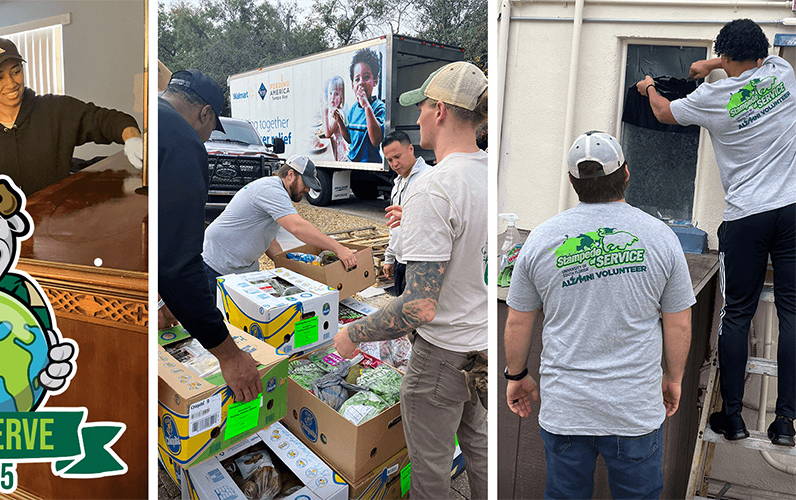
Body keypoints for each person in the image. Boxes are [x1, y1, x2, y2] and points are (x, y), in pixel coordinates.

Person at [505, 131, 695, 499]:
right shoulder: (660, 238)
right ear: (626, 173)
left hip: (566, 410)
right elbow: (680, 321)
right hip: (634, 409)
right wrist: (673, 379)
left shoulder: (541, 239)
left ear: (573, 182)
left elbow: (517, 320)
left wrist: (517, 375)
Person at [333, 61, 489, 499]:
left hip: (441, 358)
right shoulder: (487, 172)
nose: (416, 116)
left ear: (439, 110)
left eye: (420, 106)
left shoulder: (434, 187)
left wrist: (353, 334)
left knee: (430, 473)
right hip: (479, 345)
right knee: (478, 449)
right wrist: (414, 224)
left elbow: (419, 306)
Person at [637, 18, 795, 446]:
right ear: (762, 52)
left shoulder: (712, 98)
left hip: (747, 218)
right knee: (792, 313)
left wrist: (650, 86)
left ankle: (733, 417)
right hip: (792, 212)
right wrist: (713, 64)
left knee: (738, 314)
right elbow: (743, 63)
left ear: (725, 56)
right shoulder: (784, 74)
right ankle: (785, 422)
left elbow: (664, 111)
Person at [157, 69, 261, 403]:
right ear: (205, 113)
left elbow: (154, 238)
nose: (205, 138)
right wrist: (229, 355)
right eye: (209, 129)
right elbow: (178, 263)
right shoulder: (182, 141)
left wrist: (165, 298)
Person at [0, 38, 142, 195]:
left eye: (16, 72)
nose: (12, 83)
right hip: (13, 230)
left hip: (60, 221)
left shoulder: (55, 109)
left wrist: (132, 138)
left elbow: (106, 120)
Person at [201, 155, 357, 291]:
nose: (308, 190)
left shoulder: (276, 191)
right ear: (291, 175)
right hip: (217, 265)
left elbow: (269, 240)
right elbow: (297, 227)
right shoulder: (271, 189)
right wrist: (339, 249)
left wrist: (287, 269)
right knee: (213, 321)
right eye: (306, 183)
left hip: (240, 267)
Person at [380, 131, 429, 296]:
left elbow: (438, 222)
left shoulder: (429, 179)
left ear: (411, 149)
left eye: (397, 156)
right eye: (389, 160)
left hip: (421, 264)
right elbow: (394, 226)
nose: (394, 163)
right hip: (401, 261)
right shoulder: (398, 183)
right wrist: (390, 257)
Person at [342, 48, 385, 163]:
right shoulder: (353, 109)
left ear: (375, 81)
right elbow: (350, 139)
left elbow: (376, 140)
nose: (361, 82)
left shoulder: (379, 108)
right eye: (357, 79)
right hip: (352, 163)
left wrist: (366, 105)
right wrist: (339, 122)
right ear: (352, 85)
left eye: (366, 77)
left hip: (370, 166)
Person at [321, 76, 350, 161]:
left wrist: (324, 114)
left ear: (341, 98)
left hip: (339, 151)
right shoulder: (332, 110)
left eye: (336, 94)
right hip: (334, 146)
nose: (332, 97)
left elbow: (327, 134)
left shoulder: (337, 113)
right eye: (330, 93)